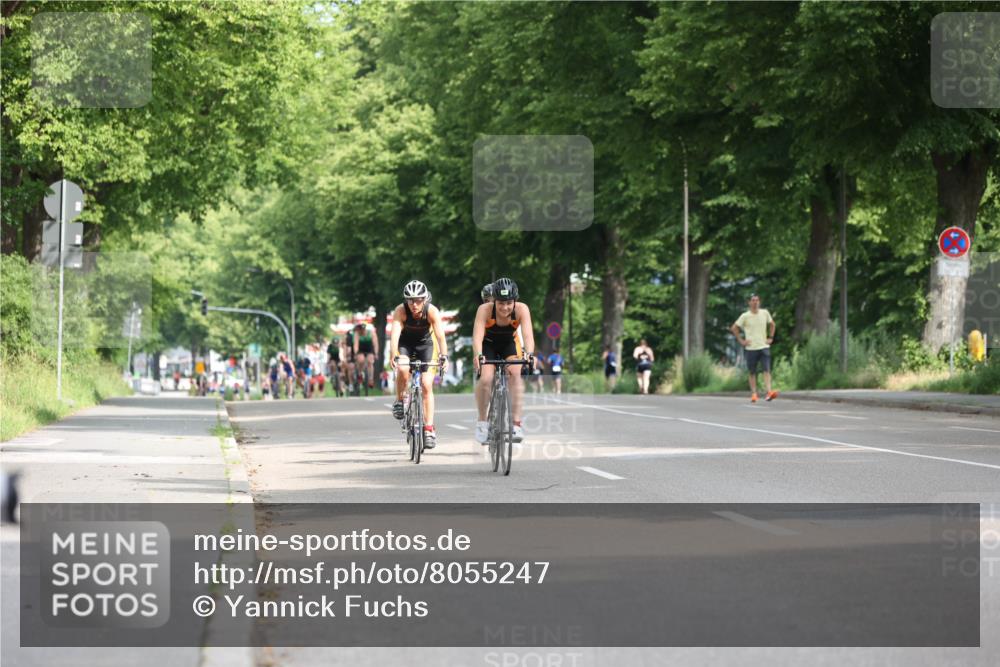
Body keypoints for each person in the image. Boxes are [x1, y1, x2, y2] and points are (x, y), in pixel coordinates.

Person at [473, 278, 535, 444]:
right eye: (500, 303)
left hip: (510, 344)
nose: (505, 307)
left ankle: (516, 424)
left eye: (509, 303)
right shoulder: (484, 310)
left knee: (516, 373)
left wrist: (529, 354)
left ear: (515, 300)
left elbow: (528, 335)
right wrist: (478, 355)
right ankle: (482, 421)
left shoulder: (522, 309)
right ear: (494, 300)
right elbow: (478, 336)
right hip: (488, 344)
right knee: (486, 378)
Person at [389, 280, 449, 449]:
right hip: (405, 344)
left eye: (418, 300)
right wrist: (393, 354)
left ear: (425, 299)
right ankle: (400, 400)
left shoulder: (432, 311)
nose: (414, 304)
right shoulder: (400, 311)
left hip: (426, 346)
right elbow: (394, 335)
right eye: (410, 300)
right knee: (402, 368)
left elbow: (440, 337)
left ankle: (429, 428)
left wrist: (444, 356)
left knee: (426, 384)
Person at [730, 293, 778, 403]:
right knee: (752, 372)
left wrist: (771, 337)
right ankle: (754, 394)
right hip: (751, 348)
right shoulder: (745, 316)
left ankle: (769, 392)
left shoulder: (765, 313)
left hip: (764, 346)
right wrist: (741, 340)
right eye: (753, 300)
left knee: (767, 369)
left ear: (759, 302)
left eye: (757, 300)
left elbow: (772, 325)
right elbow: (734, 328)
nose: (755, 302)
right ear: (749, 303)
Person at [353, 322, 379, 389]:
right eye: (360, 330)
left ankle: (371, 379)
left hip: (369, 349)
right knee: (361, 360)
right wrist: (356, 353)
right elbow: (356, 345)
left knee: (370, 362)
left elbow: (375, 344)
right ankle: (360, 373)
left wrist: (376, 353)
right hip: (361, 349)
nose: (361, 331)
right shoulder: (357, 334)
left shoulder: (372, 333)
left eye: (362, 329)